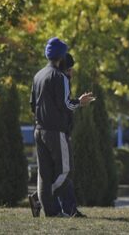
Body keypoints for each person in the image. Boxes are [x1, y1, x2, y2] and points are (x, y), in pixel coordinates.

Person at [28, 38, 95, 219]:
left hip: (39, 129)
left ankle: (51, 211)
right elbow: (66, 105)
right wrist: (80, 103)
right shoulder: (59, 77)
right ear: (61, 55)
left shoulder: (38, 75)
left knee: (45, 173)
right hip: (55, 131)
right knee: (66, 171)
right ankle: (39, 199)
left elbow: (32, 104)